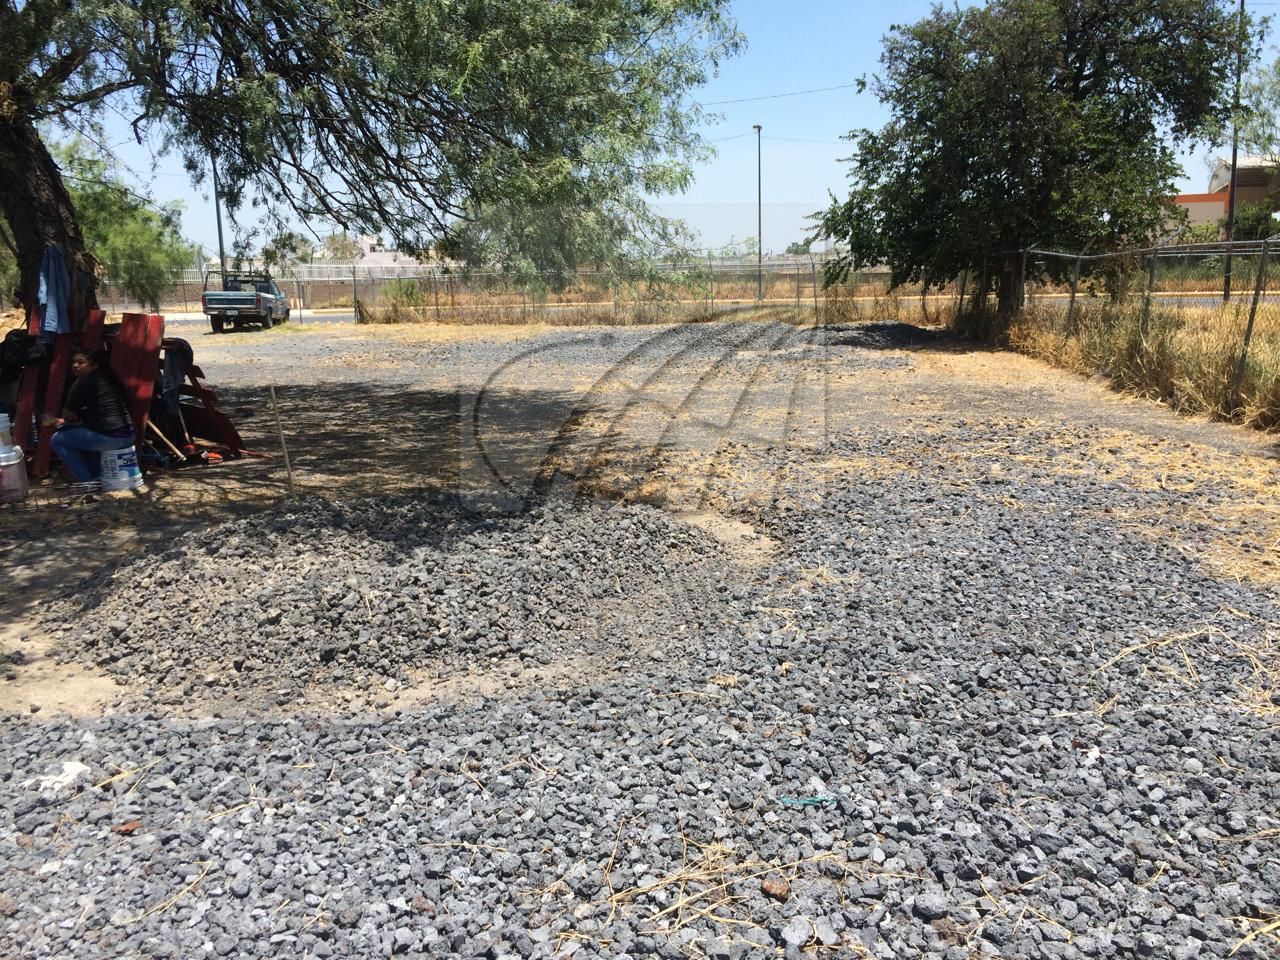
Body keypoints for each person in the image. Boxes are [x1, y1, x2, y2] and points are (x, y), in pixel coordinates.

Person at [49, 348, 134, 484]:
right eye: (74, 362)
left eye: (81, 362)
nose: (75, 365)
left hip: (113, 439)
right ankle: (95, 475)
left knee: (57, 440)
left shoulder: (83, 383)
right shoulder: (107, 379)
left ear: (94, 365)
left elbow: (68, 414)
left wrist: (63, 420)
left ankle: (87, 481)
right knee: (81, 435)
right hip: (128, 436)